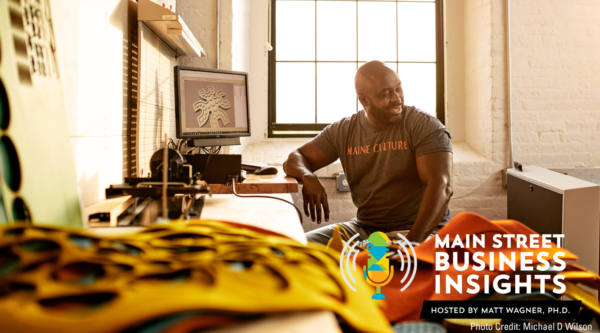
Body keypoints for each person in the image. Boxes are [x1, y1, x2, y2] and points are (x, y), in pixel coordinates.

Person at [283, 61, 453, 245]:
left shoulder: (424, 125)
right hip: (366, 230)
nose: (397, 98)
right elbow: (295, 158)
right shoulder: (344, 130)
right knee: (295, 249)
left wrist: (409, 246)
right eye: (386, 94)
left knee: (378, 266)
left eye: (398, 89)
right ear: (364, 100)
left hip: (420, 232)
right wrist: (308, 177)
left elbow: (442, 187)